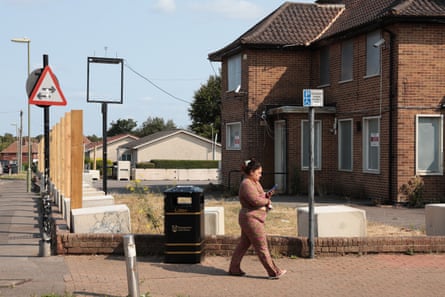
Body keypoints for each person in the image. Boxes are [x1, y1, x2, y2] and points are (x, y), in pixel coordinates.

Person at [228, 159, 287, 279]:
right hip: (251, 219)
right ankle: (273, 272)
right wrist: (267, 201)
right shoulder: (246, 184)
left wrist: (266, 195)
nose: (260, 175)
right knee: (262, 245)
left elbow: (259, 196)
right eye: (258, 172)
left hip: (252, 218)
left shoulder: (254, 182)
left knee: (244, 244)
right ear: (251, 172)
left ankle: (234, 268)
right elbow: (255, 201)